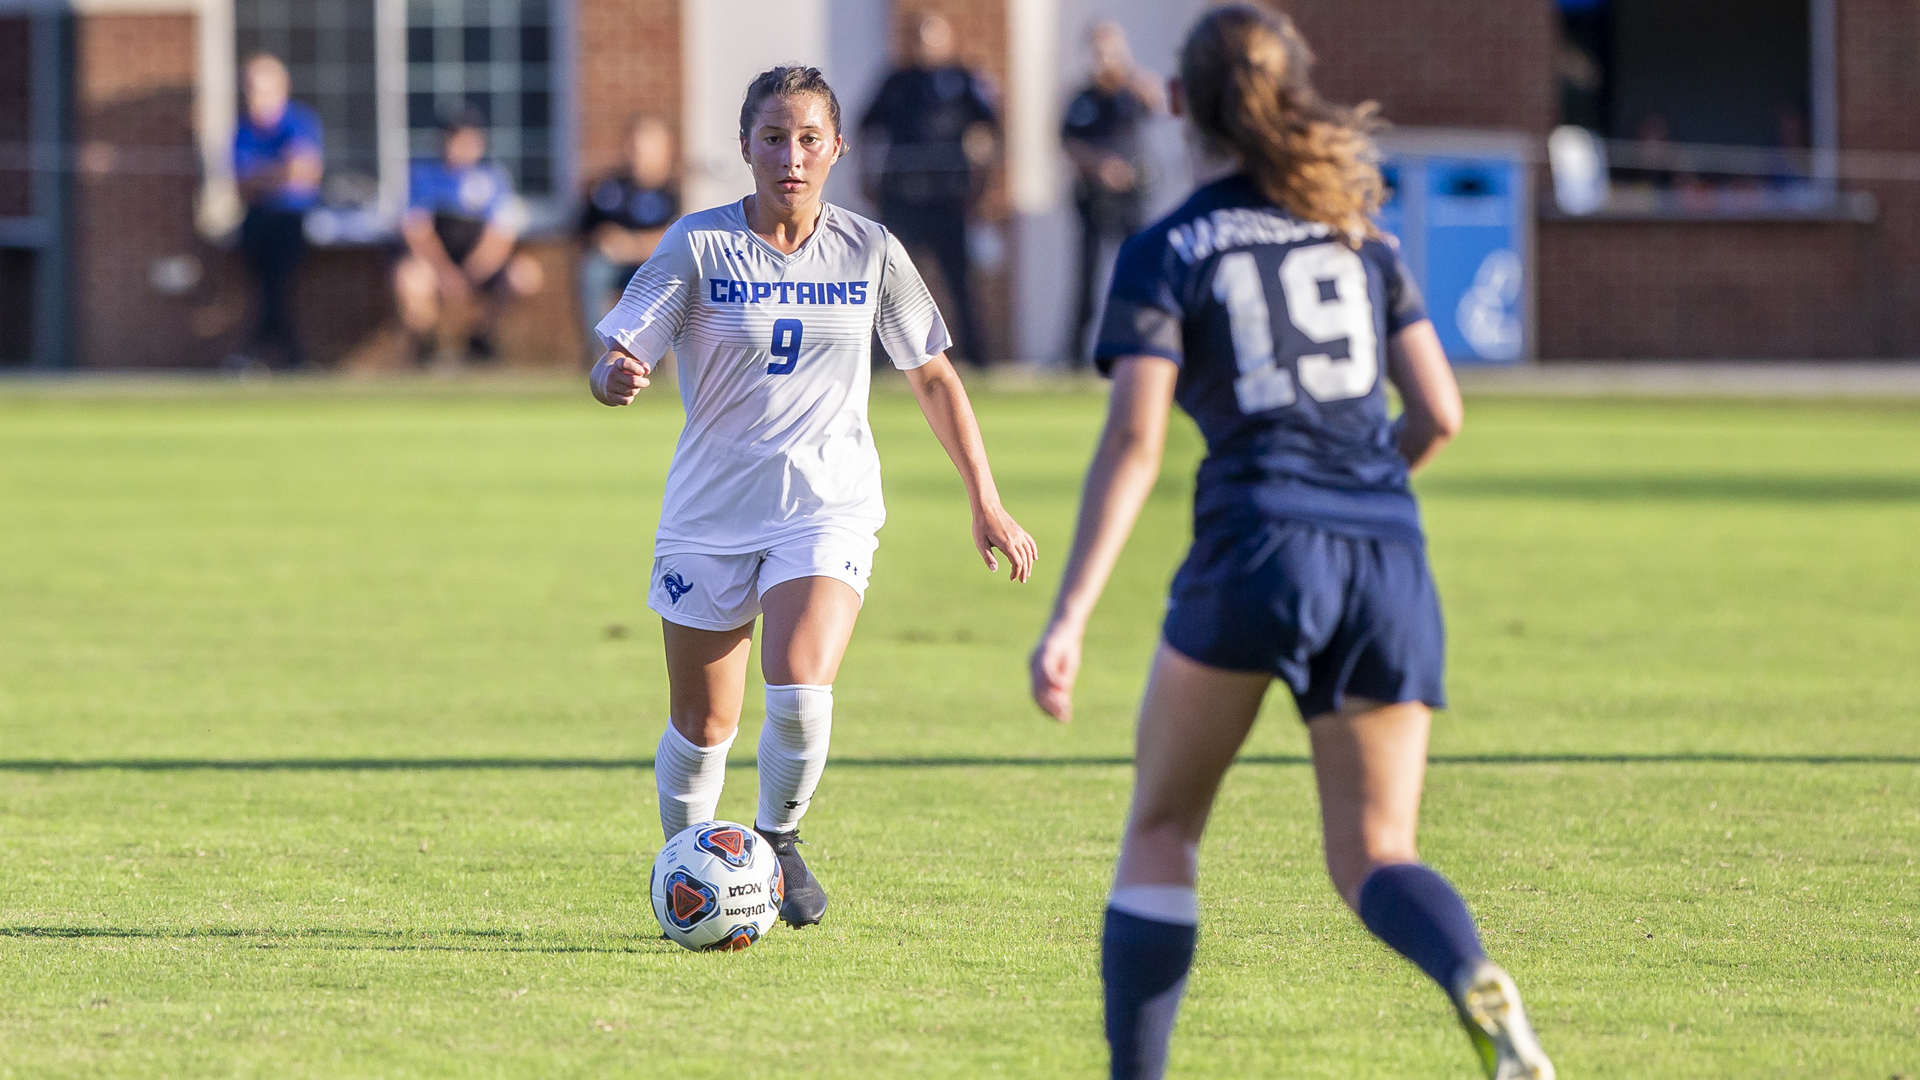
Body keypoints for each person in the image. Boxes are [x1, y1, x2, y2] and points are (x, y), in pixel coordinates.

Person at [1026, 7, 1554, 1079]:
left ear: (1177, 103)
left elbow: (1135, 444)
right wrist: (1355, 494)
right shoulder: (1362, 234)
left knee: (1164, 831)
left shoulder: (1168, 247)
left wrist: (1070, 616)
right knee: (1376, 853)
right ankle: (1472, 979)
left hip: (1257, 544)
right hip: (1388, 558)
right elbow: (1441, 413)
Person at [590, 66, 1037, 929]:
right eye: (772, 138)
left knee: (798, 686)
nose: (790, 155)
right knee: (703, 724)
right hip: (710, 513)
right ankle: (689, 877)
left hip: (827, 505)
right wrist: (616, 376)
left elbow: (934, 377)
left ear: (835, 146)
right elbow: (618, 349)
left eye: (807, 138)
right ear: (745, 147)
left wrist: (985, 496)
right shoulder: (698, 244)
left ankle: (778, 837)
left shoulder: (872, 249)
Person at [858, 15, 997, 366]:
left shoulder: (963, 79)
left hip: (947, 198)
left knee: (959, 280)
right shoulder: (896, 81)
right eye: (919, 40)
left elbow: (989, 130)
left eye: (932, 39)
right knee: (887, 280)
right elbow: (866, 129)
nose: (925, 47)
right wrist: (865, 177)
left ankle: (978, 360)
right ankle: (877, 362)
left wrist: (982, 179)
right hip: (903, 197)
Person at [394, 107, 544, 364]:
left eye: (467, 140)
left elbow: (500, 237)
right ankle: (430, 347)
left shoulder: (494, 178)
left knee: (525, 276)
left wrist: (470, 275)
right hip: (436, 265)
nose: (459, 147)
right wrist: (445, 274)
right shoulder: (423, 175)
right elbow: (417, 232)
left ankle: (481, 336)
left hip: (479, 268)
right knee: (409, 279)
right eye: (453, 139)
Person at [1062, 22, 1162, 367]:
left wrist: (1131, 76)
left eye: (1111, 50)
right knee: (1087, 280)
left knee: (1138, 273)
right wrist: (1100, 167)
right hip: (1094, 200)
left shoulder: (1132, 90)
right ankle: (1075, 358)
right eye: (1099, 52)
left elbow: (1158, 104)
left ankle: (1140, 348)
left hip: (1132, 199)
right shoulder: (1082, 98)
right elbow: (1068, 143)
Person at [231, 53, 323, 370]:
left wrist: (266, 174)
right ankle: (289, 356)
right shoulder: (244, 128)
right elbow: (241, 185)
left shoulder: (299, 121)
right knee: (265, 287)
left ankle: (261, 352)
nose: (253, 95)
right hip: (257, 219)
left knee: (278, 285)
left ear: (282, 88)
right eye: (248, 88)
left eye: (260, 87)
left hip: (291, 218)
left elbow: (305, 172)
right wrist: (281, 171)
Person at [578, 117, 680, 361]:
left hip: (656, 269)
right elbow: (587, 232)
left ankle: (658, 359)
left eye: (646, 147)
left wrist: (631, 245)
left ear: (664, 150)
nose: (638, 154)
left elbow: (676, 239)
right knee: (593, 271)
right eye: (633, 146)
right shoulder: (609, 187)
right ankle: (599, 354)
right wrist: (604, 239)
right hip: (613, 266)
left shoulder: (673, 191)